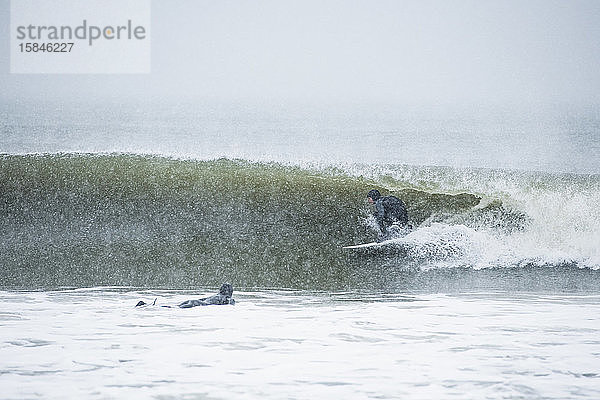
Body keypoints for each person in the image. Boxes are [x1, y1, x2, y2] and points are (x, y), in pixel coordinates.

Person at [135, 283, 235, 308]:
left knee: (175, 307)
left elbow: (203, 299)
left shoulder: (215, 296)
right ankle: (151, 306)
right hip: (198, 304)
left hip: (194, 301)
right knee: (174, 308)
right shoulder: (226, 298)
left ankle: (145, 305)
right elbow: (231, 304)